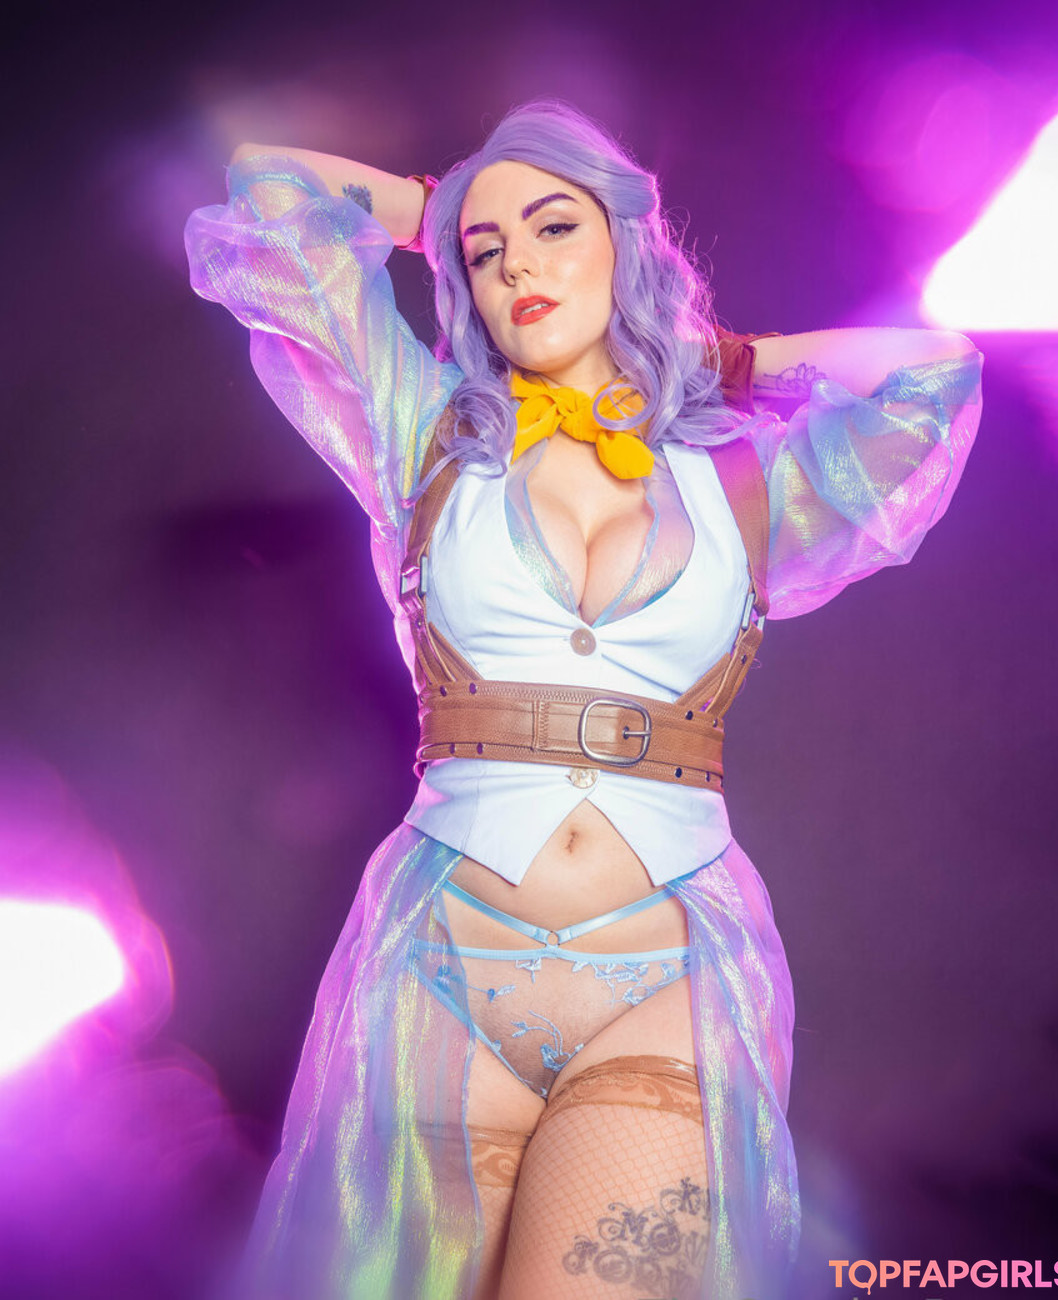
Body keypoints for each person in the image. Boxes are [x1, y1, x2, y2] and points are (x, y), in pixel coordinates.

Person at [185, 100, 983, 1300]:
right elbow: (269, 190)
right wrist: (444, 209)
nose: (519, 266)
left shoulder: (741, 482)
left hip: (663, 981)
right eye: (487, 252)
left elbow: (933, 370)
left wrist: (730, 362)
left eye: (556, 226)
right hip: (441, 966)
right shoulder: (422, 432)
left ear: (626, 240)